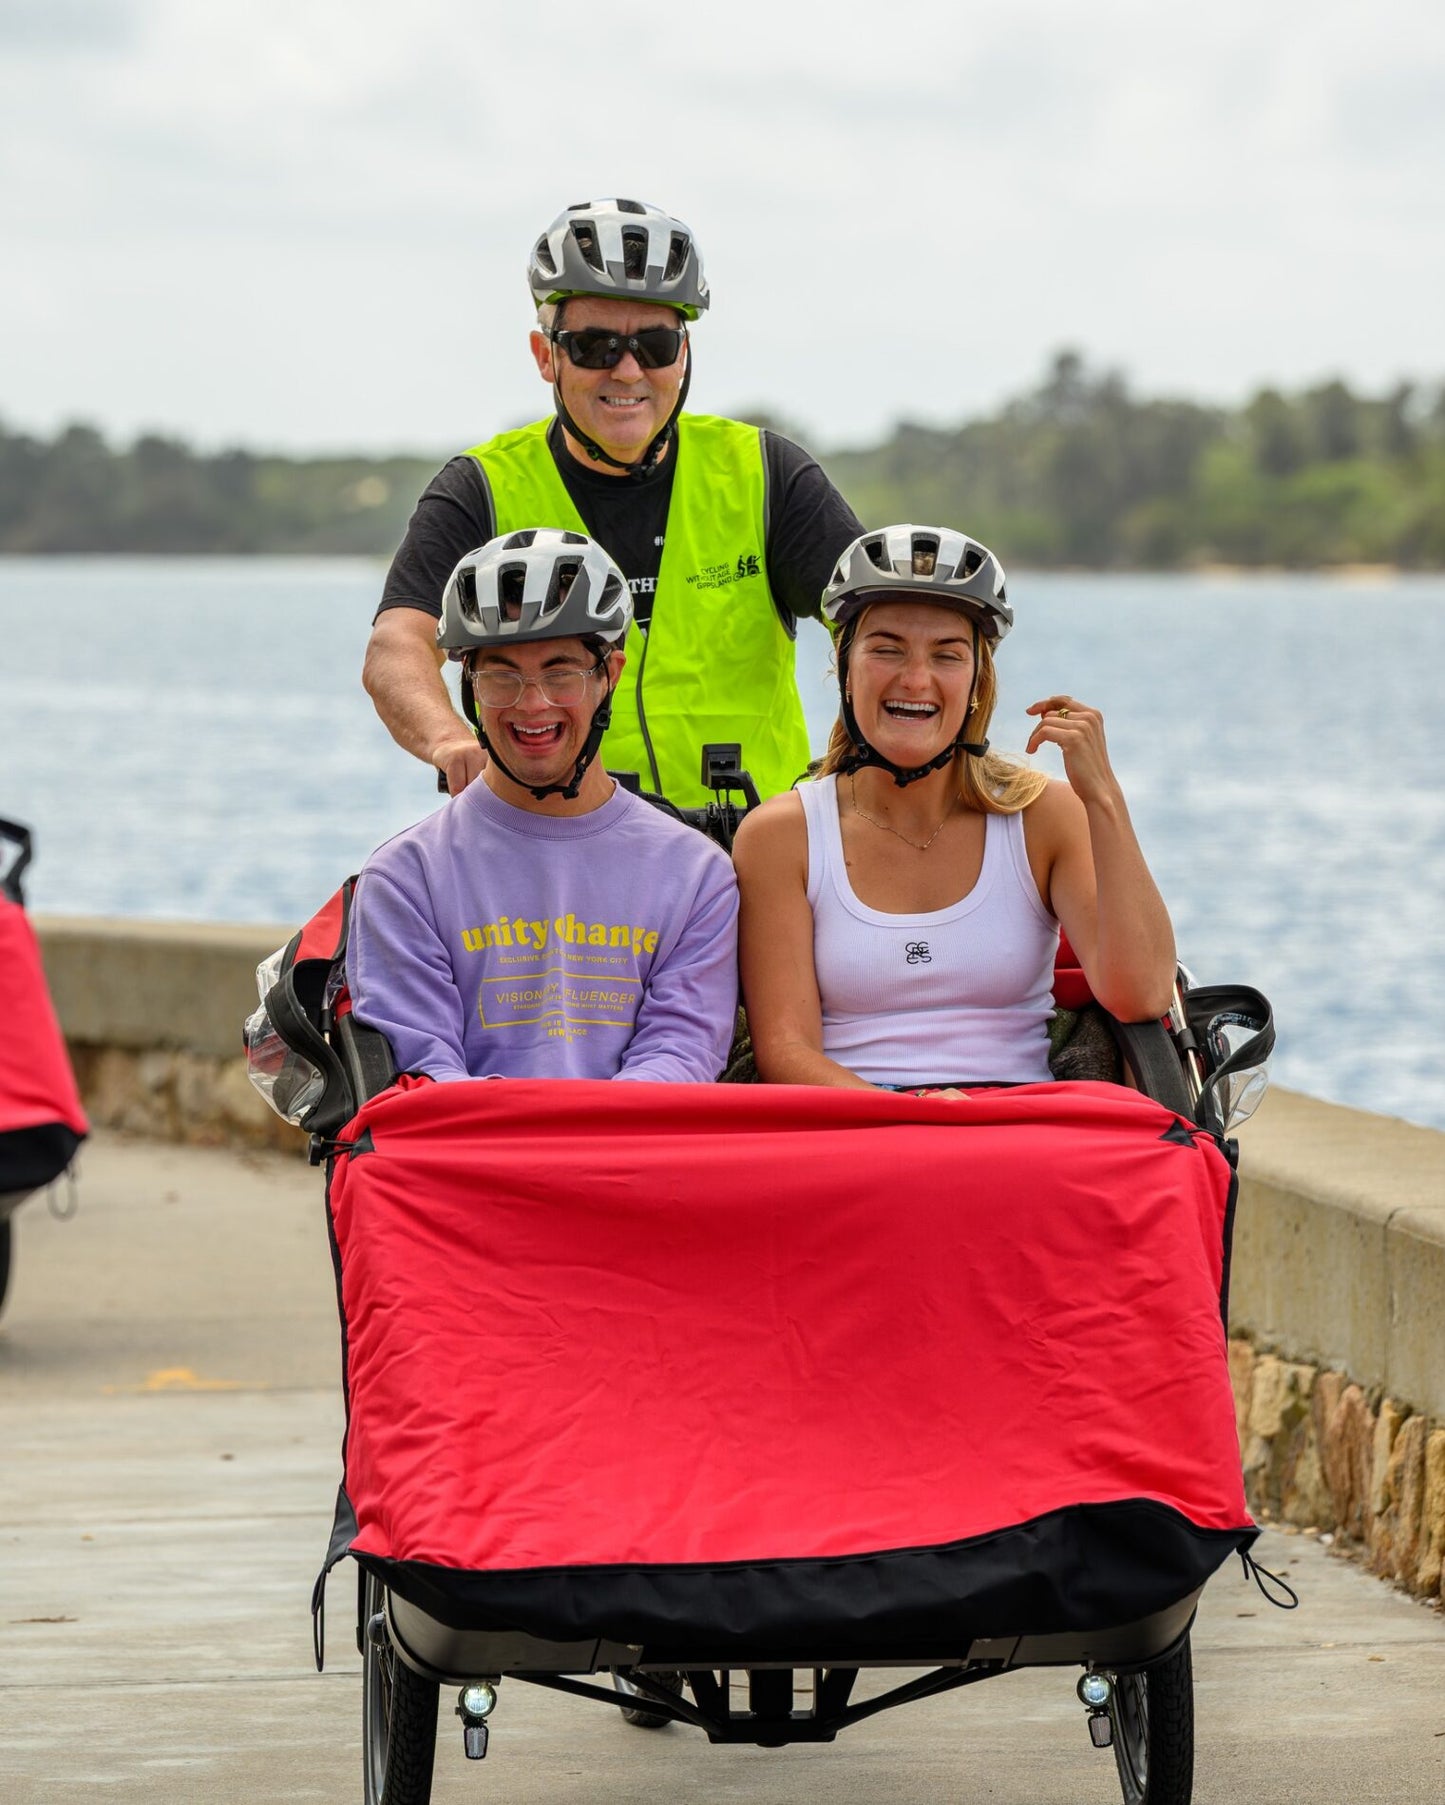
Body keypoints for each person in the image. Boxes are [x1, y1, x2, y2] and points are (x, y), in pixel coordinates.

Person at [363, 197, 863, 806]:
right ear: (546, 355)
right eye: (594, 346)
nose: (627, 371)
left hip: (754, 855)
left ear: (684, 353)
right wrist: (449, 741)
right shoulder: (481, 489)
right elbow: (398, 643)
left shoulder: (767, 475)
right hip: (563, 853)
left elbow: (880, 622)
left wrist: (870, 752)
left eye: (654, 344)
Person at [732, 525, 1175, 1092]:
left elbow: (1142, 993)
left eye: (947, 654)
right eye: (886, 648)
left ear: (976, 681)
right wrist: (924, 1122)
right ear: (846, 670)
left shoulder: (1044, 817)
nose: (915, 679)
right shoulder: (780, 836)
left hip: (1021, 1133)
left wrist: (1104, 799)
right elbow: (787, 1053)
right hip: (856, 1135)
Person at [347, 529, 739, 1085]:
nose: (533, 704)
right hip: (468, 1166)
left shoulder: (698, 874)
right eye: (501, 675)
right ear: (469, 685)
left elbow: (680, 1054)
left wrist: (576, 1154)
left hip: (625, 1162)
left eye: (561, 673)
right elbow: (424, 1072)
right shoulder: (405, 878)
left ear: (611, 675)